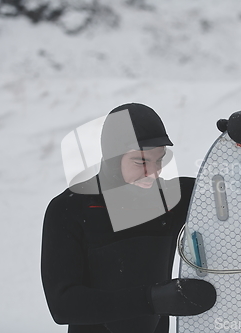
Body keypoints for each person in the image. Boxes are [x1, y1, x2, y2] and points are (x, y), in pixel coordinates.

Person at [41, 103, 216, 333]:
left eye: (159, 160)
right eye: (141, 162)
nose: (153, 172)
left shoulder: (170, 200)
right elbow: (63, 305)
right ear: (114, 158)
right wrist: (152, 300)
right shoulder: (69, 209)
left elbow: (229, 194)